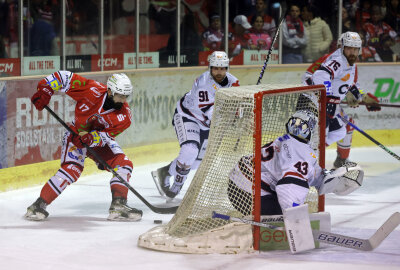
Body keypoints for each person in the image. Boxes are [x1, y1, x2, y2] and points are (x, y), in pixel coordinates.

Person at [25, 72, 142, 222]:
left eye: (126, 96)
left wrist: (91, 138)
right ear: (110, 91)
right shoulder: (91, 90)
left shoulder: (125, 116)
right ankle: (38, 206)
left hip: (95, 139)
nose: (123, 100)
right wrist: (46, 89)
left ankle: (119, 206)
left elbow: (105, 136)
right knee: (71, 170)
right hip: (74, 135)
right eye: (120, 95)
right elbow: (63, 77)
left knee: (124, 165)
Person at [228, 110, 364, 215]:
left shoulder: (286, 140)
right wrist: (295, 219)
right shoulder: (299, 150)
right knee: (293, 205)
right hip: (249, 195)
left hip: (236, 186)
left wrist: (330, 178)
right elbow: (290, 185)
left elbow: (308, 173)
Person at [151, 51, 240, 199]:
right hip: (188, 116)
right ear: (210, 67)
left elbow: (236, 105)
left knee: (196, 162)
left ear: (227, 68)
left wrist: (241, 113)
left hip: (206, 125)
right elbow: (213, 115)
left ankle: (165, 172)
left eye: (222, 68)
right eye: (215, 68)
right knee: (190, 149)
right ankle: (177, 186)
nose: (219, 72)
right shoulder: (204, 83)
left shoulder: (233, 82)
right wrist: (232, 119)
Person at [310, 32, 381, 168]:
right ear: (341, 47)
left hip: (330, 103)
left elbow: (352, 85)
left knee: (342, 129)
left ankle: (336, 158)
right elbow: (313, 76)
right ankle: (311, 158)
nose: (352, 52)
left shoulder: (352, 64)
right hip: (316, 102)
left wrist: (362, 97)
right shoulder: (334, 59)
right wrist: (329, 96)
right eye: (349, 48)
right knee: (322, 134)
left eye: (355, 49)